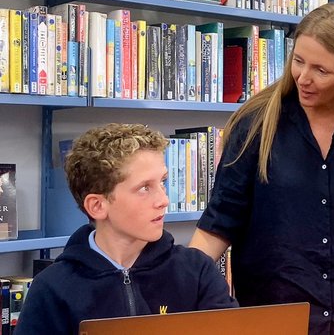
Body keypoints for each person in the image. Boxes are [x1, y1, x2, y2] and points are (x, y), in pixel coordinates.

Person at [190, 3, 334, 334]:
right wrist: (177, 281)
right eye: (298, 61)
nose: (304, 78)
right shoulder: (255, 122)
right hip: (277, 313)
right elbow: (219, 223)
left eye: (322, 70)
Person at [16, 123, 237, 335]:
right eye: (144, 188)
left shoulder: (197, 271)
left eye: (163, 182)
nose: (163, 200)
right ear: (98, 206)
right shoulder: (52, 288)